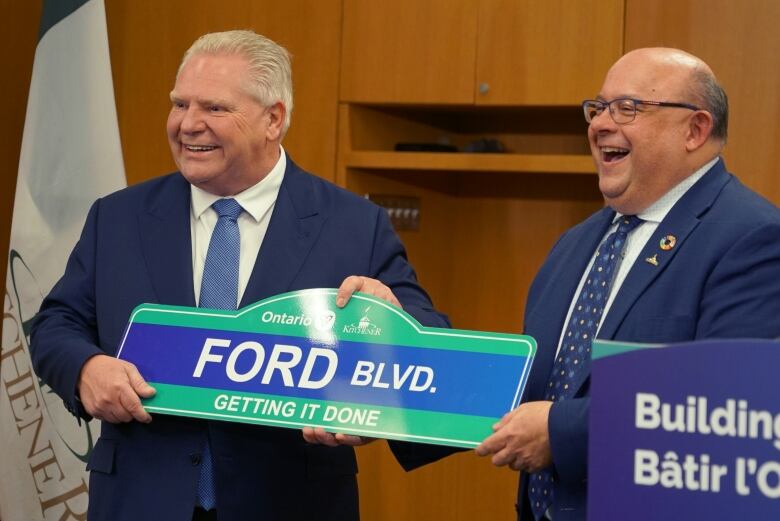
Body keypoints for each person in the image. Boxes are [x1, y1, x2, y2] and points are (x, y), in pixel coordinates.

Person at [30, 30, 450, 521]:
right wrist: (85, 370)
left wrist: (391, 324)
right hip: (141, 500)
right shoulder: (117, 217)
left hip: (291, 503)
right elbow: (56, 323)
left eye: (214, 108)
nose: (188, 124)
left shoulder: (354, 224)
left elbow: (433, 348)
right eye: (179, 104)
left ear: (274, 119)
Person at [476, 47, 780, 521]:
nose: (599, 124)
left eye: (628, 108)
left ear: (695, 130)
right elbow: (534, 385)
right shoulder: (575, 244)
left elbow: (726, 406)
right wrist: (389, 372)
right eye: (597, 108)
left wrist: (559, 433)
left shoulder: (754, 239)